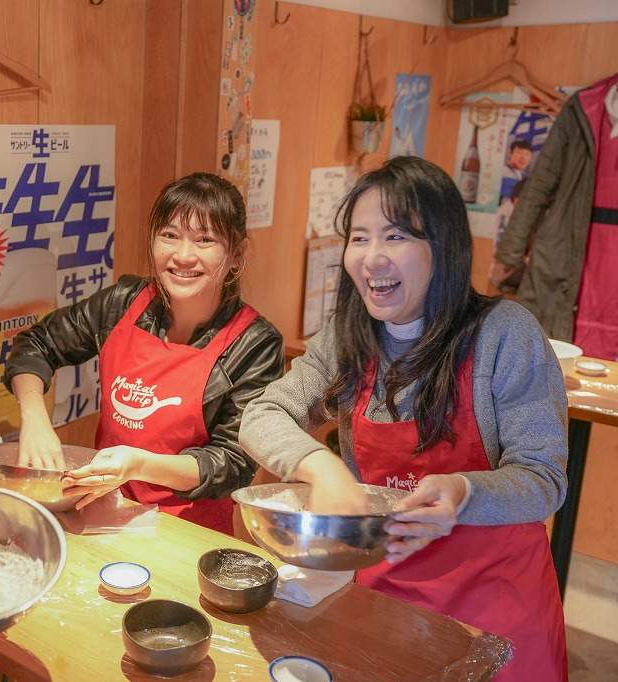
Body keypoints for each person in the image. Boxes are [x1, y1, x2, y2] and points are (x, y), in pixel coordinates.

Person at [240, 156, 567, 681]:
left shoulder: (504, 334)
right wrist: (321, 467)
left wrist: (464, 492)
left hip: (494, 606)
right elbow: (262, 412)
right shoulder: (349, 338)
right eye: (359, 237)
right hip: (385, 592)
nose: (371, 258)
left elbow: (543, 478)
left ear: (444, 247)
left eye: (395, 238)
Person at [4, 172, 283, 535]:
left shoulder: (255, 343)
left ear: (235, 254)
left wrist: (137, 465)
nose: (183, 256)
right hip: (100, 512)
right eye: (169, 235)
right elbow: (37, 344)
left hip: (189, 535)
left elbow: (231, 464)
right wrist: (35, 419)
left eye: (205, 240)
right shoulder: (123, 303)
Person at [492, 72, 618, 360]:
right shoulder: (586, 107)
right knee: (556, 358)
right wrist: (510, 254)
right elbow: (540, 184)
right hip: (571, 241)